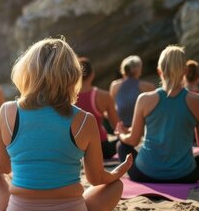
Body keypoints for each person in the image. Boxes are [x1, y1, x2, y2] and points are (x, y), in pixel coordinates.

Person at [0, 38, 132, 211]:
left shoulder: (7, 112)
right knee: (115, 186)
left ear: (27, 71)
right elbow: (96, 179)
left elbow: (3, 168)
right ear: (72, 76)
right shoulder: (85, 120)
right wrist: (115, 173)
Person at [117, 46, 199, 183]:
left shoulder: (144, 99)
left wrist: (120, 134)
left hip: (145, 173)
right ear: (185, 71)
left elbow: (133, 140)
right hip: (185, 175)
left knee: (121, 146)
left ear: (159, 71)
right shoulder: (196, 101)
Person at [76, 57, 120, 159]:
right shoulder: (104, 96)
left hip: (76, 149)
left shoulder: (67, 97)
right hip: (100, 148)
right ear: (92, 74)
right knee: (125, 143)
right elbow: (117, 126)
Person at [109, 55, 155, 128]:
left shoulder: (114, 85)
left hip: (120, 127)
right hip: (141, 128)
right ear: (139, 69)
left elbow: (111, 108)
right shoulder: (148, 86)